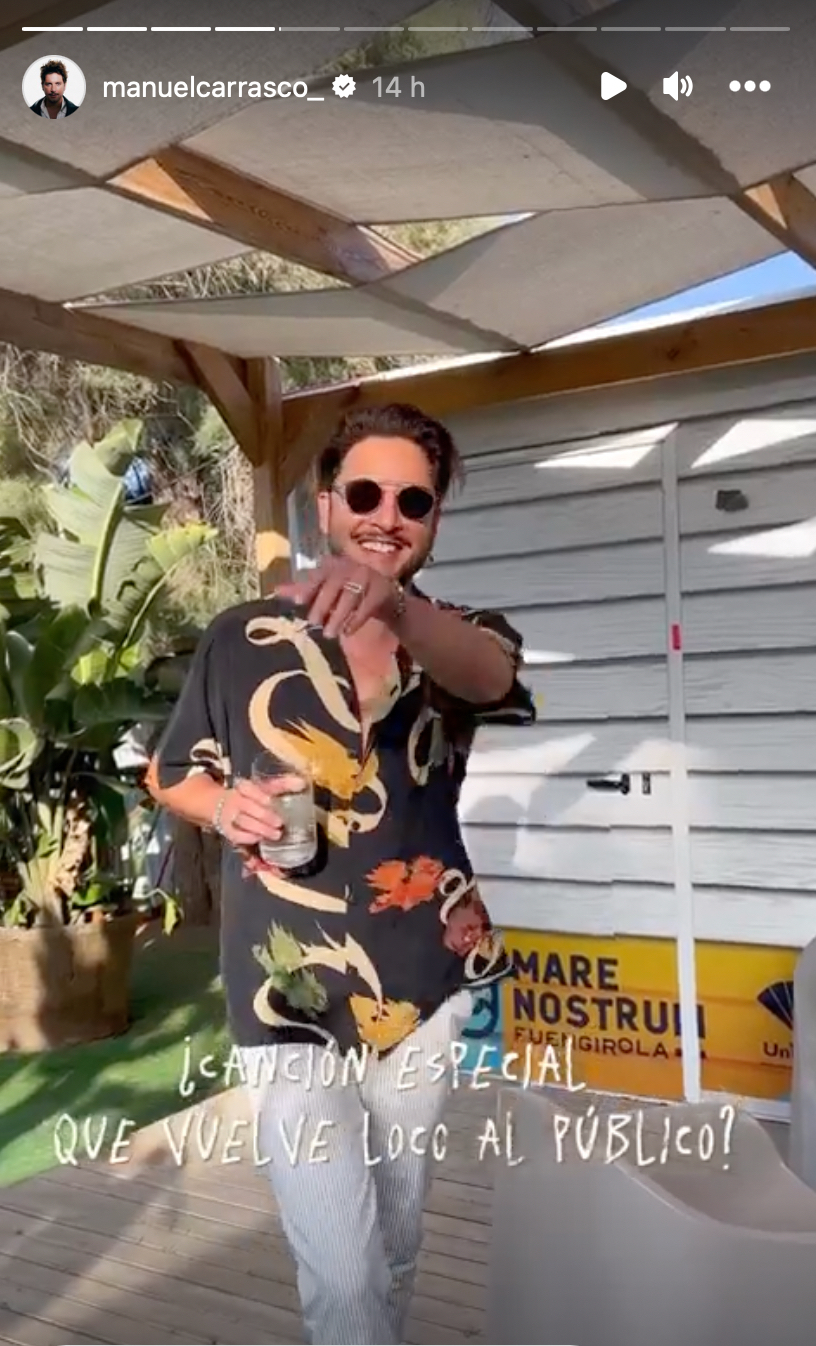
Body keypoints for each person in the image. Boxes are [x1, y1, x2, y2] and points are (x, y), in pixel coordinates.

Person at [146, 402, 536, 1344]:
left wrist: (393, 605)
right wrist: (224, 807)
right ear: (326, 505)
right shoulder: (242, 636)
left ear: (434, 519)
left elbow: (492, 680)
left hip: (422, 979)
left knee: (395, 1243)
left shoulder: (457, 632)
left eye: (414, 500)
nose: (387, 516)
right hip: (283, 986)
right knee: (344, 1269)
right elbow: (172, 770)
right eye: (365, 494)